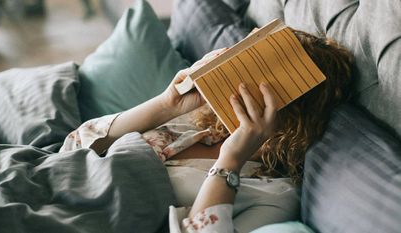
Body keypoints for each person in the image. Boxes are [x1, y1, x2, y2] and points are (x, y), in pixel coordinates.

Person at [60, 29, 353, 232]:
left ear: (295, 114)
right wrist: (166, 106)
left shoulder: (275, 195)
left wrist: (231, 160)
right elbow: (76, 144)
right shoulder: (199, 124)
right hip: (49, 182)